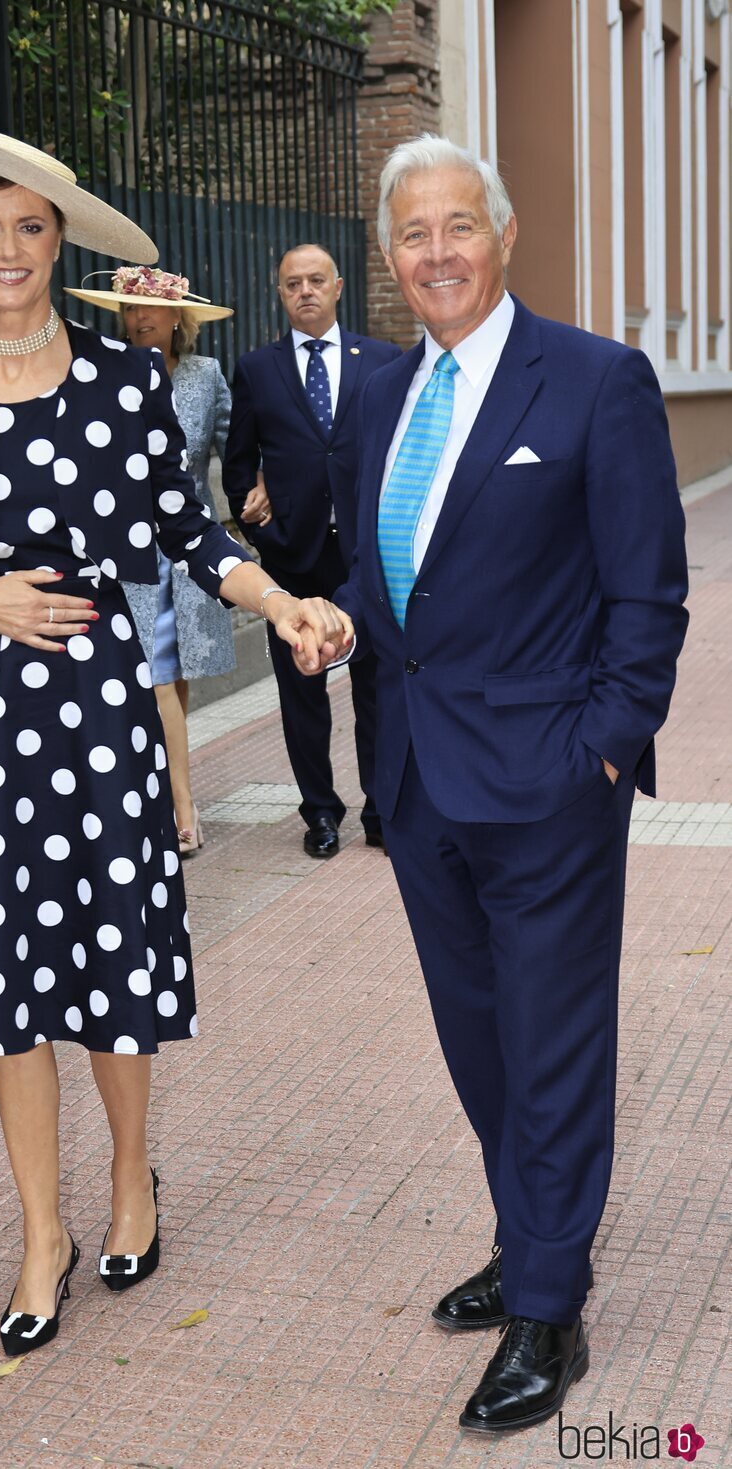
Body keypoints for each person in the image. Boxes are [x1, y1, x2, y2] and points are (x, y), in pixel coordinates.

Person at [0, 114, 352, 1358]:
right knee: (6, 985)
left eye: (28, 226)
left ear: (58, 241)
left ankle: (131, 1178)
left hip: (96, 713)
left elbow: (192, 537)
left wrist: (282, 598)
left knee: (108, 961)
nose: (7, 248)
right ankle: (38, 1233)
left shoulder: (126, 385)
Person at [301, 137, 688, 1431]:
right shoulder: (379, 395)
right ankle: (530, 1241)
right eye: (412, 234)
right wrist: (339, 620)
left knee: (555, 1048)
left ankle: (549, 1310)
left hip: (549, 789)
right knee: (482, 1048)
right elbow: (389, 576)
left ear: (503, 234)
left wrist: (607, 748)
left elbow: (648, 593)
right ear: (390, 256)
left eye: (459, 225)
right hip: (416, 786)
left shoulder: (594, 381)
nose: (437, 252)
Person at [222, 244, 399, 858]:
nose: (305, 291)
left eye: (316, 280)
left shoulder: (382, 361)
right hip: (292, 559)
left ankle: (382, 811)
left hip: (365, 556)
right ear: (280, 293)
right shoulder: (256, 369)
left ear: (339, 286)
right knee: (302, 693)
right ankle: (321, 814)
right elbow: (239, 465)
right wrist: (261, 531)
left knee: (376, 686)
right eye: (292, 283)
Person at [67, 266, 236, 856]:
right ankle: (181, 810)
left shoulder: (204, 375)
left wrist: (255, 490)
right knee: (156, 677)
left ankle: (163, 789)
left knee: (173, 677)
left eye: (152, 310)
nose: (140, 319)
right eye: (131, 310)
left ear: (176, 317)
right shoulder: (102, 375)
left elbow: (231, 446)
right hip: (127, 550)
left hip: (187, 548)